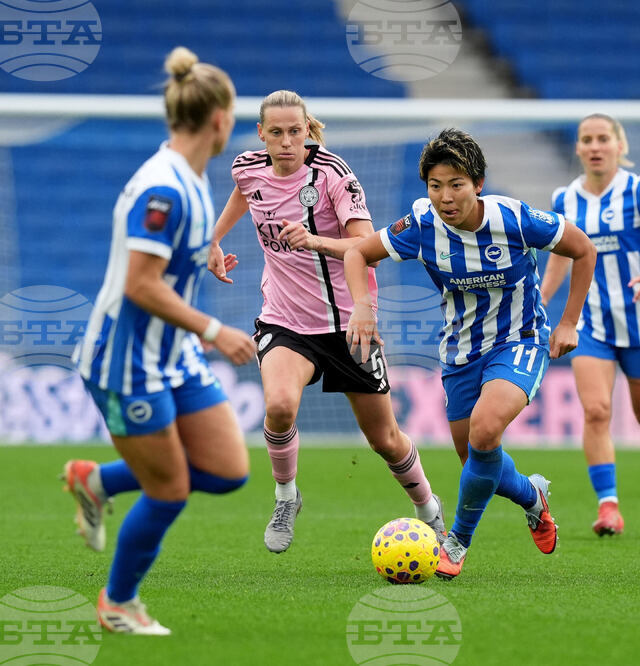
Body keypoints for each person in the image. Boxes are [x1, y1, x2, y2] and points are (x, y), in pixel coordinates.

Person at [343, 128, 596, 579]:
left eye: (456, 184)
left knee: (484, 431)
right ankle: (532, 498)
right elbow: (357, 255)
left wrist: (569, 322)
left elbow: (583, 249)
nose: (445, 196)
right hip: (459, 352)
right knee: (480, 462)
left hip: (520, 340)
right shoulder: (421, 224)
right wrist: (363, 308)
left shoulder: (515, 218)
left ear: (478, 184)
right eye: (435, 185)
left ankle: (455, 544)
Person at [63, 47, 257, 635]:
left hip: (170, 355)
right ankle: (118, 603)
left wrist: (207, 256)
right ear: (220, 119)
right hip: (124, 363)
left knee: (226, 471)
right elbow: (140, 284)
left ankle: (95, 480)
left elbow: (169, 265)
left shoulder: (193, 181)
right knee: (169, 490)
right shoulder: (165, 189)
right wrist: (214, 329)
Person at [207, 90, 445, 553]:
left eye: (295, 131)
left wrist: (315, 241)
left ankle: (428, 509)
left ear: (307, 131)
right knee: (277, 405)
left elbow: (366, 248)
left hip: (347, 324)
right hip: (285, 321)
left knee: (386, 440)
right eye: (275, 132)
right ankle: (285, 497)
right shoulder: (247, 166)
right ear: (261, 134)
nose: (286, 141)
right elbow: (243, 193)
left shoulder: (334, 175)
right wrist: (215, 239)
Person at [541, 113, 640, 536]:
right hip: (588, 323)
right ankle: (608, 506)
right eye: (587, 139)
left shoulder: (639, 191)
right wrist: (542, 300)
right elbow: (560, 254)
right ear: (578, 148)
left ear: (619, 146)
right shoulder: (565, 200)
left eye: (603, 139)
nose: (595, 146)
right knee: (596, 411)